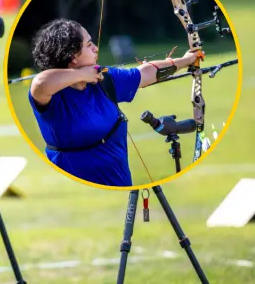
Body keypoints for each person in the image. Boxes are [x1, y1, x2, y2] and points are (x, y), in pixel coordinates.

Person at [28, 18, 198, 187]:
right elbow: (40, 83)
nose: (95, 48)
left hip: (119, 184)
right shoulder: (54, 96)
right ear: (73, 57)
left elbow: (145, 74)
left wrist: (186, 60)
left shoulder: (103, 79)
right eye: (89, 45)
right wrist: (81, 75)